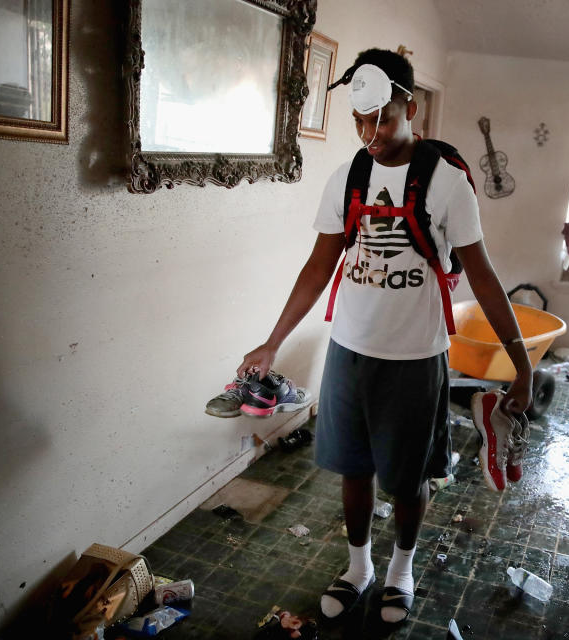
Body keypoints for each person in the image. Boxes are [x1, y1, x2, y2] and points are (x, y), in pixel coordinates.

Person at [237, 49, 533, 625]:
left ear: (410, 108)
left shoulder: (448, 183)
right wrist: (271, 342)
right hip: (348, 350)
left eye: (384, 118)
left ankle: (401, 570)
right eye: (361, 120)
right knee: (353, 470)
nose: (371, 133)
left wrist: (520, 363)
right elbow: (318, 267)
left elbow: (484, 276)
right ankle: (359, 567)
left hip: (415, 358)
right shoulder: (348, 176)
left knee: (409, 477)